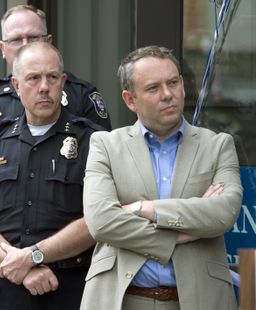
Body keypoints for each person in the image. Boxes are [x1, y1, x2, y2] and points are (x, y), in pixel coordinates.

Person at [80, 45, 243, 310]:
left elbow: (223, 213)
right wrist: (178, 234)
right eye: (153, 88)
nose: (168, 94)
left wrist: (144, 209)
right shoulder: (106, 146)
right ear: (130, 100)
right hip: (122, 298)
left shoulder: (218, 146)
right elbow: (101, 222)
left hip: (198, 300)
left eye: (173, 82)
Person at [0, 41, 99, 310]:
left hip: (72, 287)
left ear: (63, 82)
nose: (44, 87)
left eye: (52, 77)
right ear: (17, 85)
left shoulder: (92, 141)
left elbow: (97, 220)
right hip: (7, 290)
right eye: (33, 78)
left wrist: (34, 255)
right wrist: (24, 268)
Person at [0, 4, 111, 191]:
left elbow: (104, 166)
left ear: (49, 41)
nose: (25, 45)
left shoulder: (82, 95)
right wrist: (2, 205)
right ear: (3, 48)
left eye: (34, 37)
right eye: (16, 39)